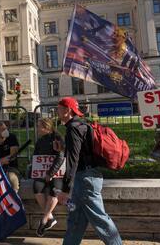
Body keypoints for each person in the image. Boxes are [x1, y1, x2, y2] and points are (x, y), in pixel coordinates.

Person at [53, 97, 122, 245]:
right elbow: (84, 152)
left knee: (100, 219)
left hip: (85, 179)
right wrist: (64, 149)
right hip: (87, 177)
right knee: (75, 220)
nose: (56, 111)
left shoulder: (73, 129)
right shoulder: (82, 124)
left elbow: (73, 160)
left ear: (67, 110)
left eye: (58, 108)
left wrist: (65, 189)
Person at [33, 118, 65, 237]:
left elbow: (60, 157)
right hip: (42, 172)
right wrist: (35, 170)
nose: (37, 128)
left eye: (39, 126)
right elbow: (36, 157)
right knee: (37, 188)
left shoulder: (57, 138)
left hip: (57, 172)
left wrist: (50, 173)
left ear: (47, 127)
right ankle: (50, 218)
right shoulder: (40, 140)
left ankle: (44, 220)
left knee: (54, 190)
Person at [0, 120, 20, 192]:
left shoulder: (11, 138)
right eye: (3, 130)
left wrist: (2, 161)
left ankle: (14, 199)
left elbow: (13, 155)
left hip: (11, 168)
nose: (6, 131)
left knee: (11, 179)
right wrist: (0, 161)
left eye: (6, 128)